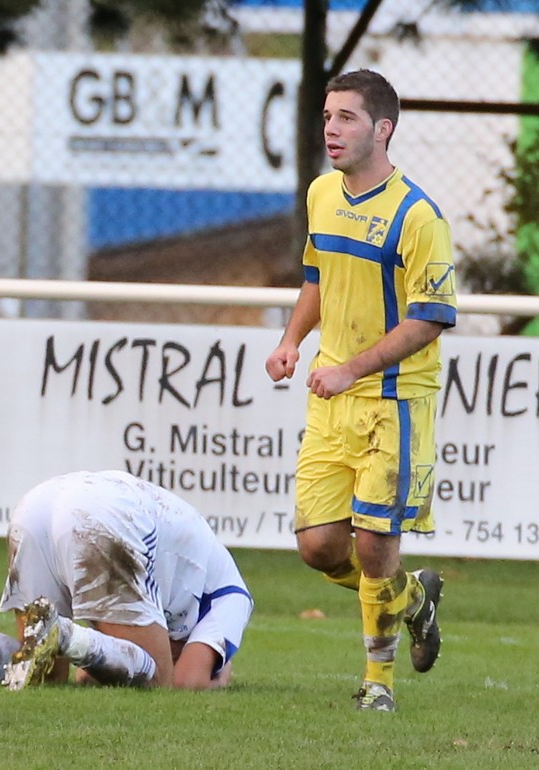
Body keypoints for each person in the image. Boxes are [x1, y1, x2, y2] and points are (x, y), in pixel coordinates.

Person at [264, 69, 455, 712]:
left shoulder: (418, 215)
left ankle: (379, 684)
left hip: (395, 401)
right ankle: (415, 599)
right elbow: (318, 276)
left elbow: (428, 319)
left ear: (383, 128)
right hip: (332, 395)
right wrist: (292, 340)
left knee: (374, 544)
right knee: (319, 546)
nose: (331, 129)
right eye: (326, 116)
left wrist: (353, 369)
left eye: (345, 118)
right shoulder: (323, 193)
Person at [0, 470, 254, 692]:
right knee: (157, 679)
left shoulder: (195, 569)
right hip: (108, 514)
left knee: (41, 674)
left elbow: (87, 676)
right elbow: (185, 681)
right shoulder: (234, 597)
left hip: (40, 503)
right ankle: (62, 632)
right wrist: (220, 677)